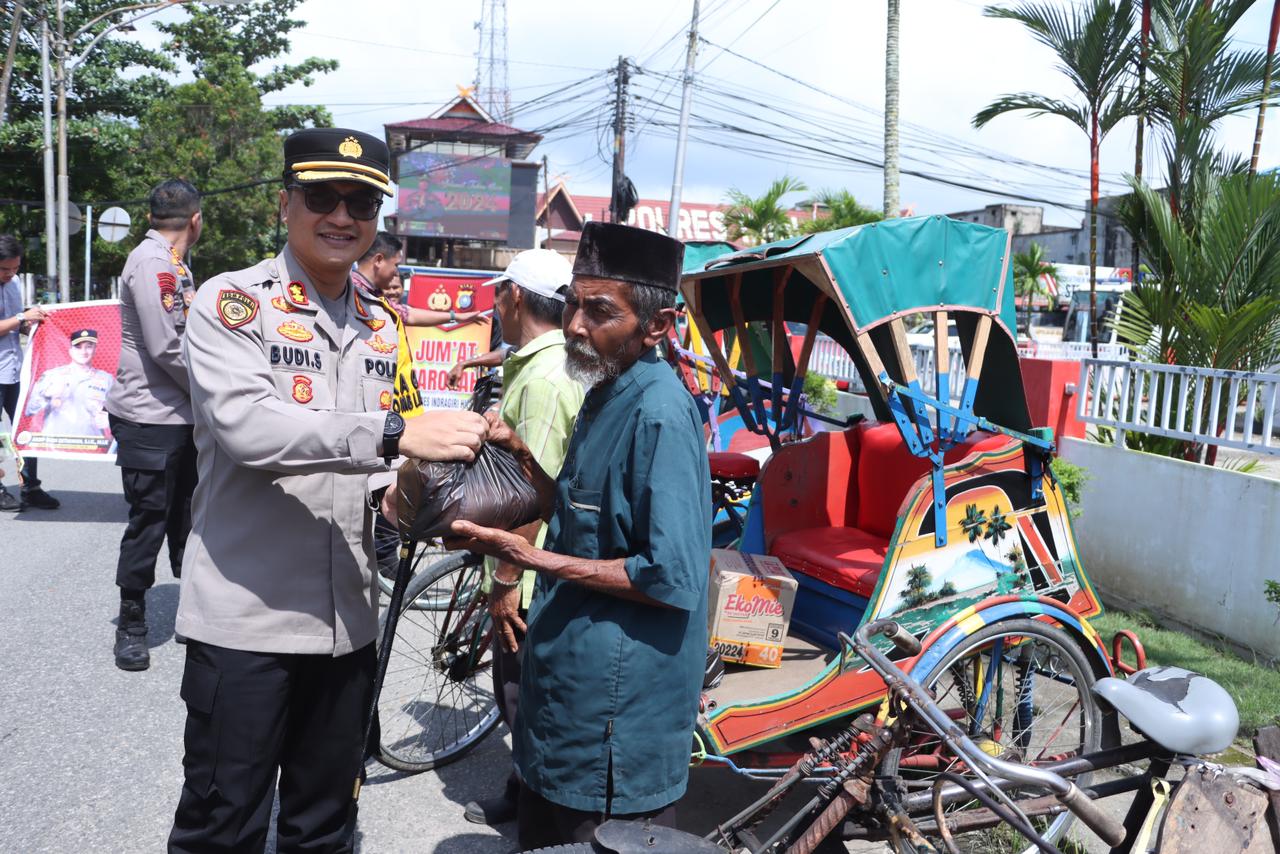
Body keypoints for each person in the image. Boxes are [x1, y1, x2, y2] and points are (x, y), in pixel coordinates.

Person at [167, 127, 488, 854]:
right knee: (224, 825)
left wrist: (423, 489)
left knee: (324, 825)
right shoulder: (231, 303)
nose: (343, 215)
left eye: (362, 201)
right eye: (322, 197)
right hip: (247, 623)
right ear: (286, 204)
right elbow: (249, 428)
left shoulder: (380, 326)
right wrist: (395, 435)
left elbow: (383, 481)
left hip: (350, 623)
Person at [448, 222, 712, 849]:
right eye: (573, 303)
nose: (573, 324)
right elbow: (582, 508)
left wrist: (529, 556)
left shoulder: (659, 413)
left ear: (659, 326)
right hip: (567, 694)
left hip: (614, 715)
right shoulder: (604, 388)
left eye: (600, 310)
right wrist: (522, 456)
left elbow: (670, 576)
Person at [458, 248, 584, 827]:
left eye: (497, 292)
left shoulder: (544, 379)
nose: (494, 303)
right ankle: (523, 791)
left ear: (514, 297)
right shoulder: (542, 366)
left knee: (522, 699)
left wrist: (507, 580)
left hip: (529, 575)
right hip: (532, 567)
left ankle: (538, 815)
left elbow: (533, 490)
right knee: (522, 697)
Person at [105, 178, 203, 672]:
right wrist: (213, 391)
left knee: (190, 516)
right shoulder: (153, 264)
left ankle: (197, 612)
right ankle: (132, 624)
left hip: (179, 414)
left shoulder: (173, 263)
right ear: (195, 219)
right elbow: (167, 347)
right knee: (150, 519)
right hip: (151, 415)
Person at [0, 234, 54, 512]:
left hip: (16, 369)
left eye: (15, 268)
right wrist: (22, 318)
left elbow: (13, 323)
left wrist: (31, 323)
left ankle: (30, 486)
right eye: (4, 269)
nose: (10, 274)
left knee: (28, 428)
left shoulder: (16, 283)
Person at [351, 230, 485, 328]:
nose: (396, 271)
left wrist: (455, 316)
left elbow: (407, 315)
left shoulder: (374, 295)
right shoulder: (348, 291)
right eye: (396, 265)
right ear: (379, 260)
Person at [23, 328, 114, 437]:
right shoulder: (52, 376)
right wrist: (47, 396)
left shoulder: (106, 379)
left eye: (89, 346)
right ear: (70, 350)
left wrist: (109, 419)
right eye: (78, 347)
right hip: (54, 444)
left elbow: (118, 412)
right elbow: (29, 411)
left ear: (95, 349)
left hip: (92, 444)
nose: (83, 352)